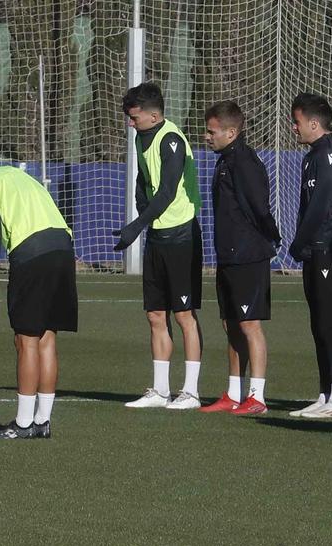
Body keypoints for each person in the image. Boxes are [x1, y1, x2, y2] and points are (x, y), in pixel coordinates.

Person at [0, 140, 76, 441]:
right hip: (62, 245)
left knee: (25, 340)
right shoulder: (15, 175)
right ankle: (42, 421)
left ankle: (21, 423)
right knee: (46, 338)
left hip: (32, 251)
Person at [114, 82, 205, 411]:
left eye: (134, 117)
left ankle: (191, 392)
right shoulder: (141, 137)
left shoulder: (171, 140)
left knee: (184, 315)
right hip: (157, 235)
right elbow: (143, 180)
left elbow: (167, 192)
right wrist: (142, 216)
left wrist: (135, 227)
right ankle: (161, 390)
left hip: (181, 236)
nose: (130, 122)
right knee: (155, 315)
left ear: (154, 115)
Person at [202, 101, 278, 417]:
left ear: (232, 132)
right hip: (229, 255)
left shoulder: (244, 162)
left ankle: (257, 396)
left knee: (249, 324)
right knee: (230, 323)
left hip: (248, 256)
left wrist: (268, 237)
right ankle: (234, 392)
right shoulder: (224, 161)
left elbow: (259, 207)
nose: (207, 137)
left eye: (212, 131)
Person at [286, 92, 332, 419]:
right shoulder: (311, 156)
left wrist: (299, 241)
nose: (293, 127)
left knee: (330, 324)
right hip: (314, 248)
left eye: (297, 122)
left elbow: (322, 204)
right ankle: (325, 394)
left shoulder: (331, 153)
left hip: (330, 247)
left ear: (314, 123)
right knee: (318, 325)